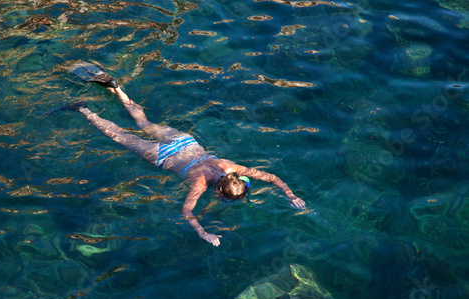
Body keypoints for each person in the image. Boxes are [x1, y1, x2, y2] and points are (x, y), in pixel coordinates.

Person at [62, 62, 306, 246]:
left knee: (144, 122)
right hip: (163, 155)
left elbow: (271, 176)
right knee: (118, 136)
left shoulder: (233, 168)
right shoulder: (200, 184)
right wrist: (204, 233)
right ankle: (83, 110)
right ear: (220, 192)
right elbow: (186, 212)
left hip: (184, 142)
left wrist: (290, 192)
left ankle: (117, 89)